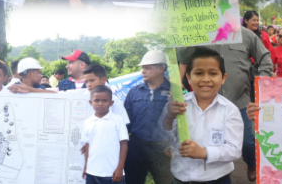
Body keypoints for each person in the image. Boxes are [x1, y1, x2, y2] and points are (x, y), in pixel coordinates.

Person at [179, 21, 271, 183]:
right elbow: (183, 56)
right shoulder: (202, 32)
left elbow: (264, 57)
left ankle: (251, 164)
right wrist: (192, 32)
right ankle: (208, 173)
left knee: (248, 142)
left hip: (240, 99)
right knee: (208, 138)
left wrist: (262, 83)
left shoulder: (245, 34)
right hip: (208, 102)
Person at [163, 47, 243, 184]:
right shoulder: (177, 106)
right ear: (188, 77)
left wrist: (204, 152)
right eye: (198, 73)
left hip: (218, 180)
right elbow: (164, 142)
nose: (206, 79)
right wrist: (169, 118)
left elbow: (234, 150)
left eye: (213, 73)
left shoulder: (230, 110)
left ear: (223, 78)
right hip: (181, 179)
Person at [123, 50, 173, 184]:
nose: (143, 71)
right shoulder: (134, 91)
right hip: (136, 146)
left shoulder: (173, 91)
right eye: (142, 68)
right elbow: (125, 121)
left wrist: (173, 146)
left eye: (147, 68)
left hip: (163, 148)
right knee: (133, 180)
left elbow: (181, 120)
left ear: (161, 68)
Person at [80, 85, 128, 184]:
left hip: (113, 173)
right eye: (96, 100)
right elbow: (87, 147)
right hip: (92, 173)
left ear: (111, 103)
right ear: (90, 102)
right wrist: (86, 167)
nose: (100, 104)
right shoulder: (87, 122)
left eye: (105, 101)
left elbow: (124, 145)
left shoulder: (118, 121)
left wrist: (120, 168)